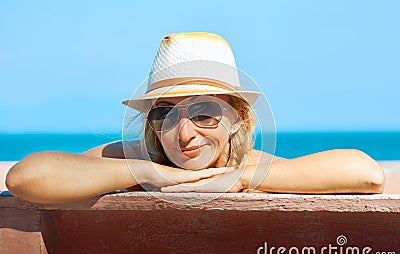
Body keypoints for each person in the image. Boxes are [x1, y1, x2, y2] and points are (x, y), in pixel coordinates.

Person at [4, 32, 385, 204]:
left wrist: (235, 180)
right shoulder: (133, 159)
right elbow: (24, 177)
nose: (184, 133)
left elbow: (366, 173)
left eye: (204, 114)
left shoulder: (249, 166)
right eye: (166, 115)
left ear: (237, 119)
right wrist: (151, 174)